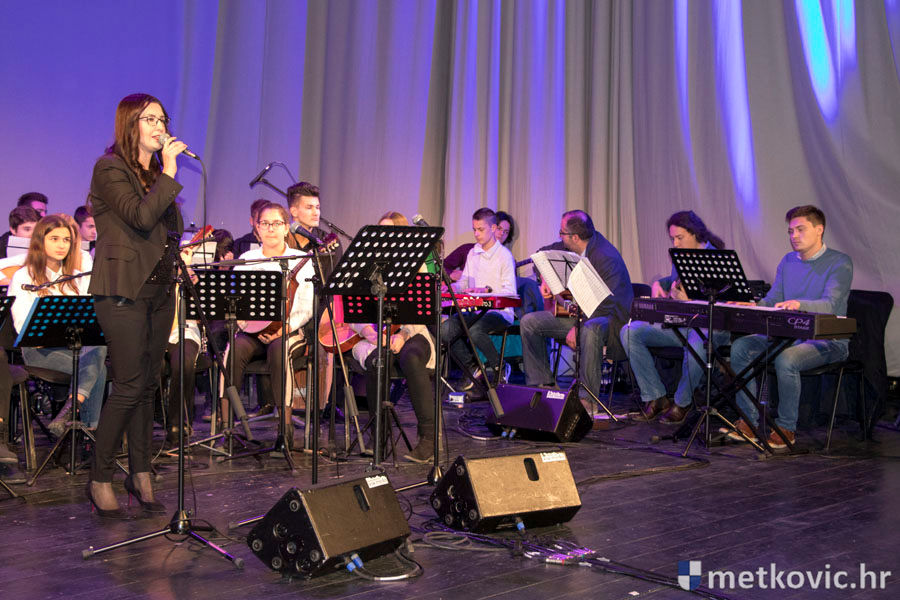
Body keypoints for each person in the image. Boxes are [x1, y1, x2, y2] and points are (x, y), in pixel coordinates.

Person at [87, 93, 188, 517]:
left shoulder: (155, 176)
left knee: (147, 385)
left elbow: (167, 232)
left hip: (160, 291)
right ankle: (99, 476)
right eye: (150, 119)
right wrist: (170, 171)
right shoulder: (110, 168)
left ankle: (141, 473)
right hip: (122, 290)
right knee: (128, 385)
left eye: (162, 119)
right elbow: (141, 219)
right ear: (130, 124)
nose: (159, 126)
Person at [729, 205, 852, 450]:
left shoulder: (840, 262)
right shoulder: (787, 261)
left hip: (829, 341)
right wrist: (752, 305)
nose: (794, 235)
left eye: (800, 229)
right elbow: (774, 299)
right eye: (791, 231)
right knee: (741, 347)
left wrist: (798, 304)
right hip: (787, 336)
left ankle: (786, 427)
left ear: (819, 230)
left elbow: (831, 304)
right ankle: (749, 421)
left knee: (787, 359)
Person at [620, 211, 729, 423]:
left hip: (709, 329)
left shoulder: (717, 259)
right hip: (681, 326)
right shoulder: (680, 257)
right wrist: (658, 284)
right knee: (630, 332)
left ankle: (682, 402)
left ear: (695, 234)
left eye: (679, 238)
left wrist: (692, 301)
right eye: (673, 239)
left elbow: (724, 304)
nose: (675, 243)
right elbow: (671, 280)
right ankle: (655, 397)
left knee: (697, 345)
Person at [346, 211, 437, 462]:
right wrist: (369, 332)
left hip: (411, 332)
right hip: (375, 335)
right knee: (378, 361)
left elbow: (420, 311)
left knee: (412, 357)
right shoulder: (363, 265)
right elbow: (352, 311)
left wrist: (403, 334)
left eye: (391, 232)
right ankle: (379, 436)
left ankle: (428, 439)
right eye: (381, 231)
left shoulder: (416, 265)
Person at [9, 215, 108, 439]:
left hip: (75, 348)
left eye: (66, 240)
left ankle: (71, 414)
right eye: (54, 239)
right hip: (40, 351)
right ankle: (88, 433)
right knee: (97, 368)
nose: (62, 245)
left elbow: (90, 317)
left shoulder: (77, 277)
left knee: (98, 348)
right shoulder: (24, 276)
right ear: (40, 241)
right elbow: (22, 326)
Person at [520, 210, 633, 400]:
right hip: (582, 314)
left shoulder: (606, 257)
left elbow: (607, 304)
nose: (559, 236)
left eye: (562, 233)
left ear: (575, 237)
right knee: (530, 322)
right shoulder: (571, 246)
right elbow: (540, 255)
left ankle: (587, 399)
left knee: (589, 330)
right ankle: (544, 386)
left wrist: (578, 326)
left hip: (609, 319)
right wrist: (545, 278)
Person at [228, 202, 313, 435]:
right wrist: (248, 325)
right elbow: (237, 304)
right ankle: (227, 427)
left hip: (289, 331)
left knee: (280, 351)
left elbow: (306, 306)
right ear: (257, 228)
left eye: (276, 223)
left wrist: (285, 328)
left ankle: (285, 429)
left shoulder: (301, 260)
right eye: (264, 223)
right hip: (253, 331)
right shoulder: (247, 259)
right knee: (233, 351)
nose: (270, 228)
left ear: (286, 228)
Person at [440, 207, 516, 389]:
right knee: (445, 330)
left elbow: (510, 292)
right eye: (474, 229)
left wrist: (486, 290)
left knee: (474, 330)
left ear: (493, 228)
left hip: (499, 313)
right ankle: (473, 367)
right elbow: (464, 283)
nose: (476, 234)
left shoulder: (504, 256)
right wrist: (451, 288)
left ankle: (500, 367)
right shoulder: (473, 253)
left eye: (480, 230)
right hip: (475, 311)